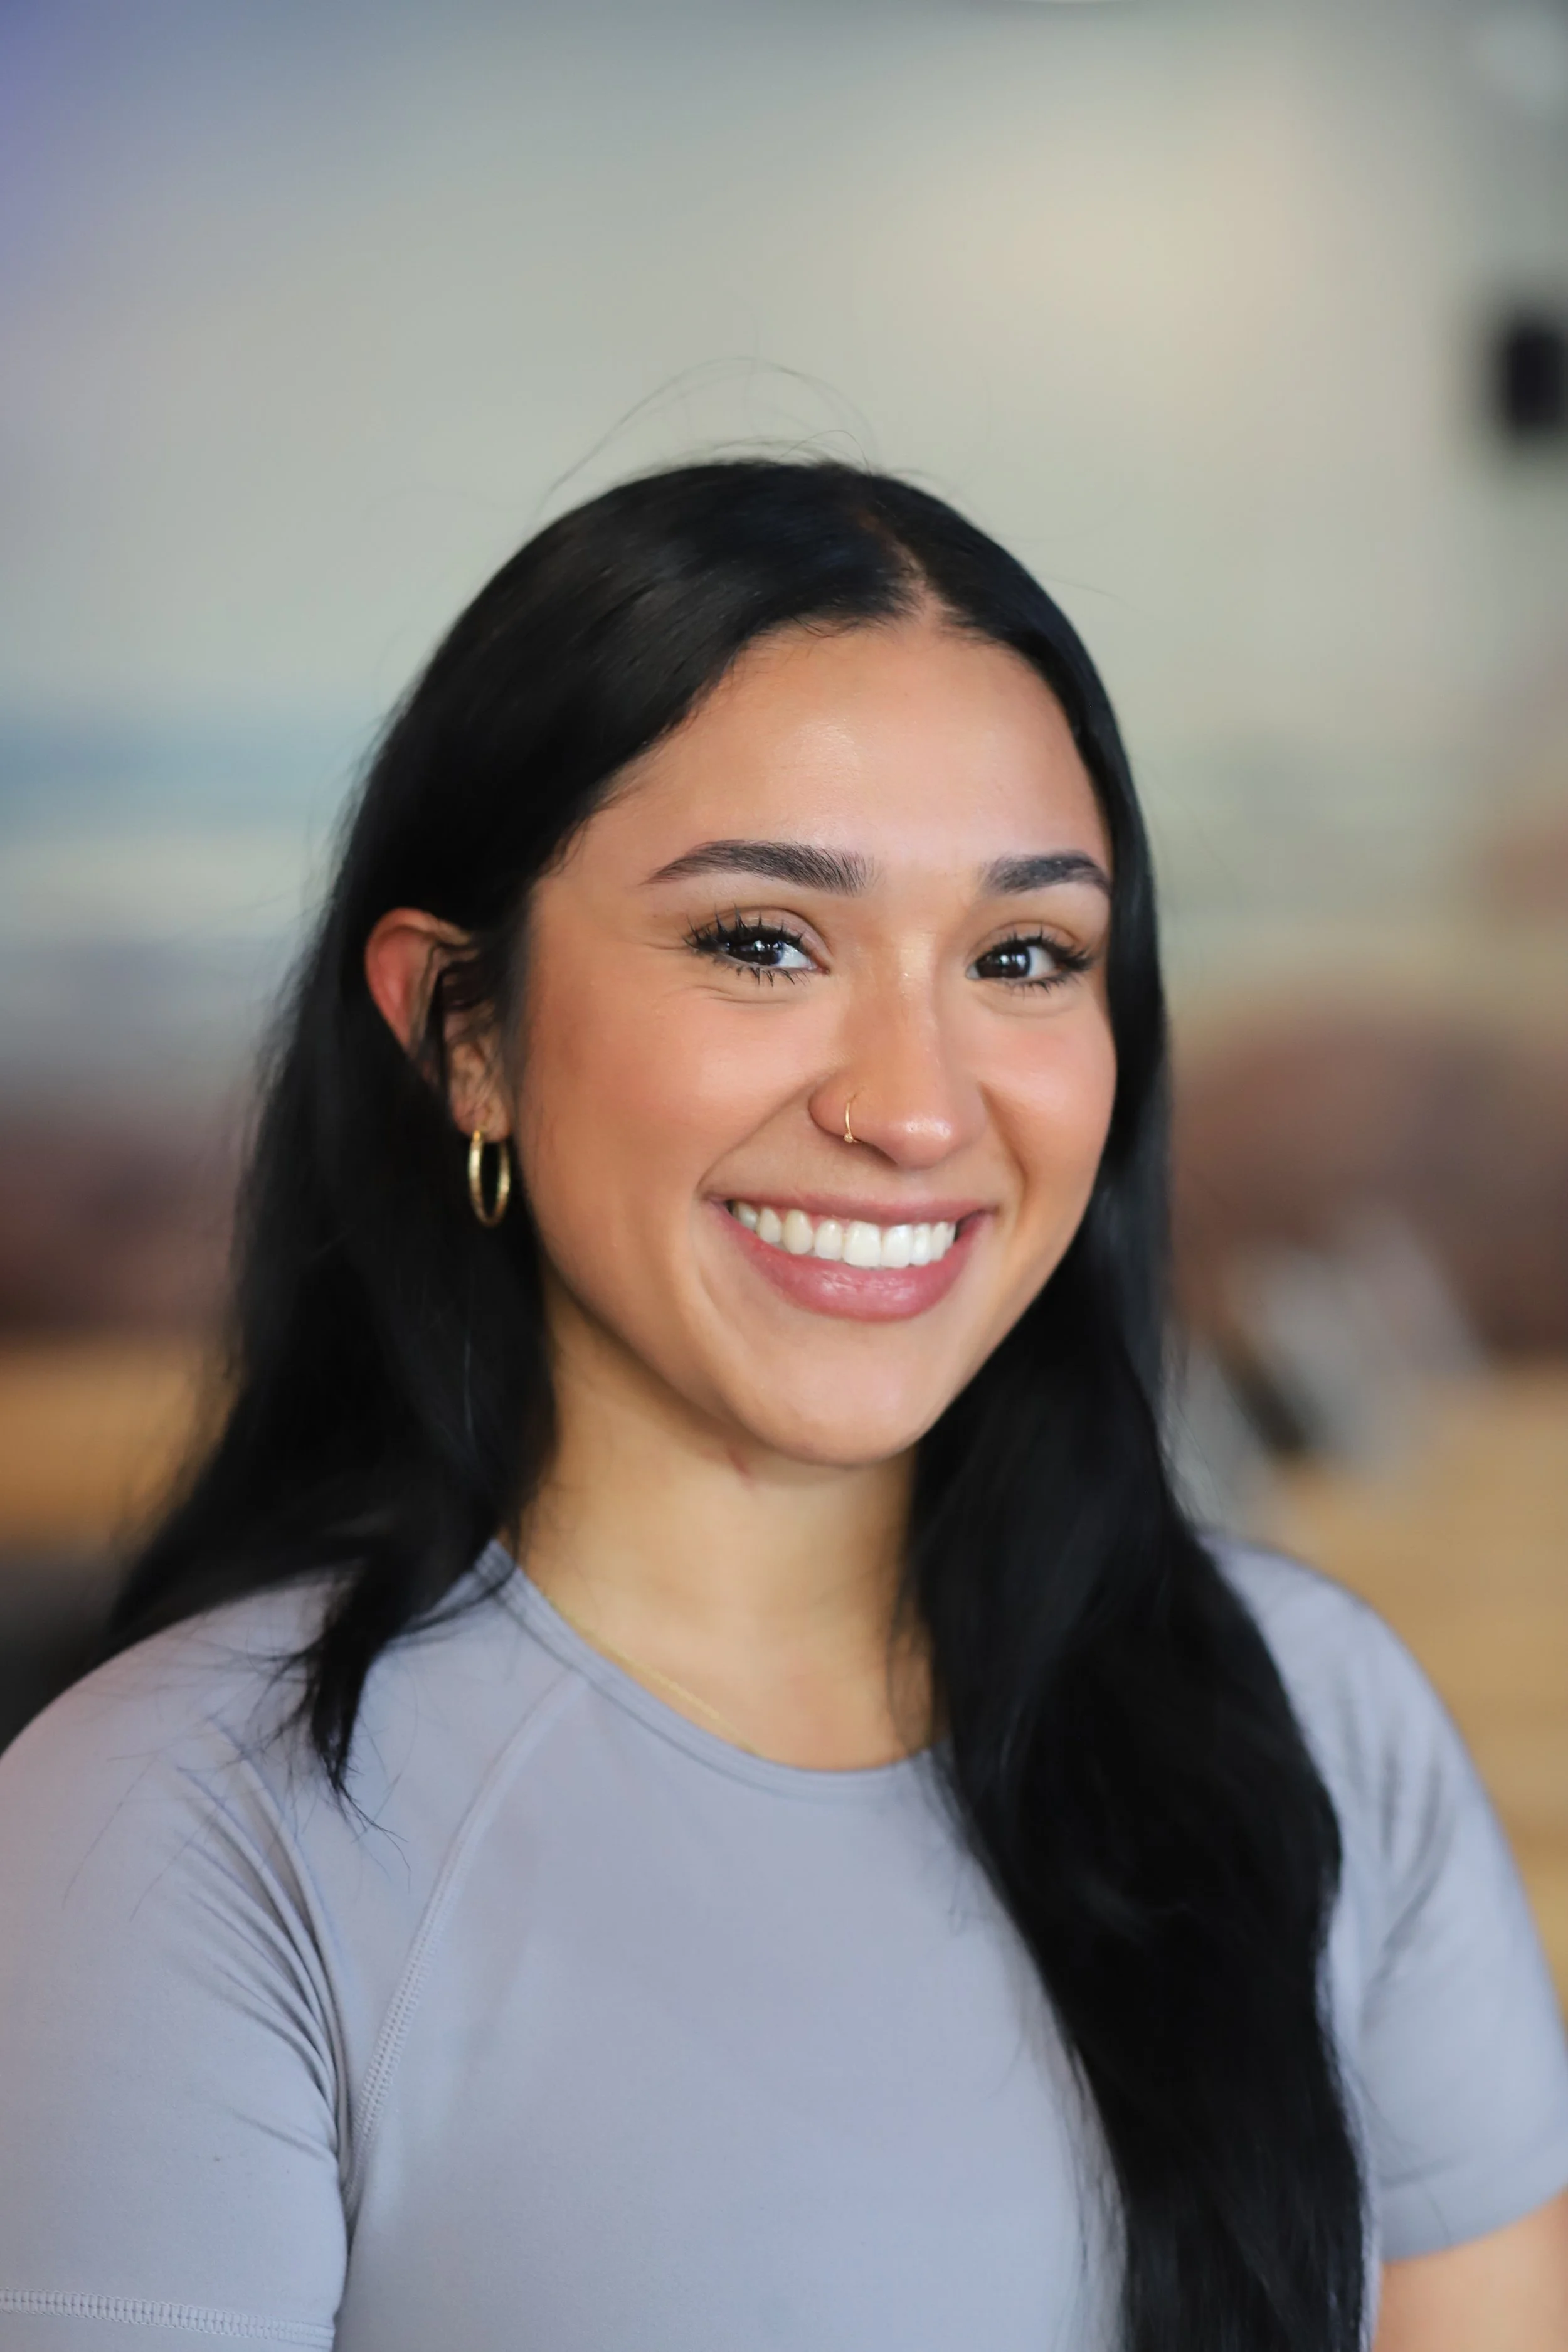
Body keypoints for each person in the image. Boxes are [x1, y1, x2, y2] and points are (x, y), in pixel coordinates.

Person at [0, 462, 1564, 2352]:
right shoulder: (179, 1835)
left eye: (1020, 957)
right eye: (763, 939)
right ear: (460, 1032)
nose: (913, 1105)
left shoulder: (1313, 1722)